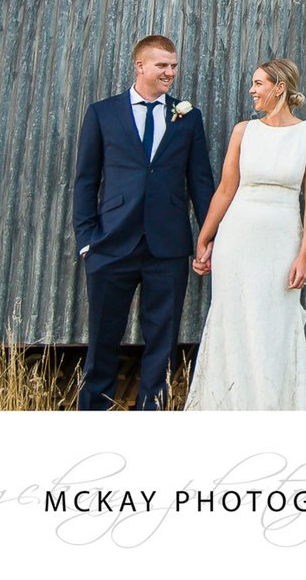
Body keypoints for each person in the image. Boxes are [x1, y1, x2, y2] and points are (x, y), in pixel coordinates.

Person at [72, 34, 216, 410]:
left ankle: (152, 416)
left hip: (167, 247)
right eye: (162, 66)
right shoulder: (102, 113)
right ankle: (93, 413)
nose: (170, 72)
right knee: (103, 339)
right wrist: (87, 239)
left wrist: (207, 236)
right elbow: (87, 180)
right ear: (140, 66)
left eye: (173, 66)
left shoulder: (187, 117)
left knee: (162, 341)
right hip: (110, 244)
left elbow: (200, 183)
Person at [185, 58, 306, 410]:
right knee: (232, 318)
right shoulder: (243, 131)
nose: (252, 90)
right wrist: (205, 236)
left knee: (274, 322)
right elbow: (225, 189)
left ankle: (272, 406)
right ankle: (226, 404)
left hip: (281, 239)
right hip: (237, 237)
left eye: (259, 83)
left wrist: (304, 254)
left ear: (280, 88)